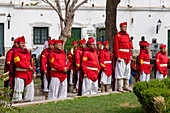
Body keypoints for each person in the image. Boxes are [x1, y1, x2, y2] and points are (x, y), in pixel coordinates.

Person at [12, 36, 36, 103]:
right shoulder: (16, 53)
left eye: (24, 43)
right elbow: (17, 63)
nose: (23, 45)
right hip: (20, 74)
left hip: (28, 74)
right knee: (18, 89)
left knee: (29, 89)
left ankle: (28, 100)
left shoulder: (27, 53)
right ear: (18, 44)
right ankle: (17, 101)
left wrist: (34, 72)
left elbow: (31, 63)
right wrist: (27, 67)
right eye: (21, 43)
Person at [114, 22, 132, 92]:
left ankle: (126, 86)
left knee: (127, 71)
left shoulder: (127, 36)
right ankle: (119, 87)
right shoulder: (117, 36)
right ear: (120, 28)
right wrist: (118, 56)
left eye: (126, 27)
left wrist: (130, 55)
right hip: (121, 56)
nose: (125, 28)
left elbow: (129, 47)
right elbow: (116, 47)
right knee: (120, 71)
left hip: (127, 56)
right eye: (124, 27)